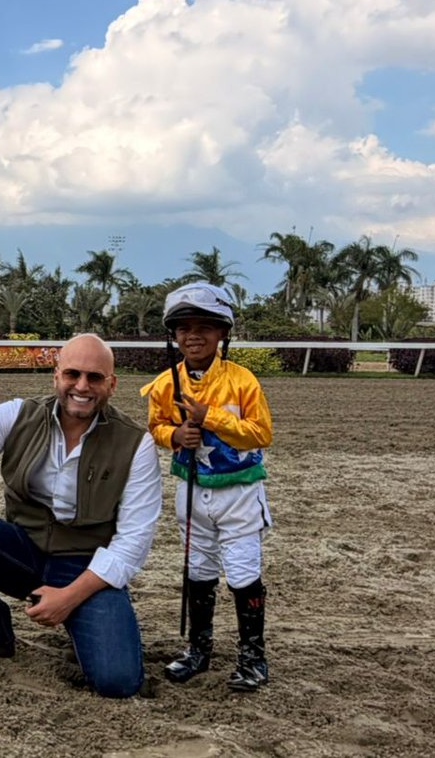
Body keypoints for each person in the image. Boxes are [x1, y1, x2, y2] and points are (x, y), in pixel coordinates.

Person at [0, 334, 161, 698]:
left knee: (118, 682)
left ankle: (80, 625)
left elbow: (132, 544)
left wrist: (69, 598)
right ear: (56, 375)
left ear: (111, 384)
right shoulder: (18, 413)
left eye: (94, 377)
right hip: (23, 551)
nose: (82, 386)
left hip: (85, 566)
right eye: (72, 374)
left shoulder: (135, 444)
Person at [140, 282, 273, 692]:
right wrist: (175, 436)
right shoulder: (165, 383)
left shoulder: (243, 381)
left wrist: (209, 417)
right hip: (192, 492)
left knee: (242, 573)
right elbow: (155, 426)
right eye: (183, 327)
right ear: (173, 334)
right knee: (198, 570)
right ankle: (199, 649)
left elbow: (260, 434)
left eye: (204, 327)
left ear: (222, 334)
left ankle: (253, 656)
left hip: (240, 493)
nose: (192, 335)